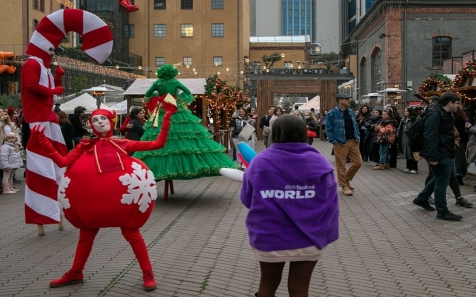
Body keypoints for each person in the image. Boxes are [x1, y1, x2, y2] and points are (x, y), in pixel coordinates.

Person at [32, 106, 175, 291]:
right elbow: (63, 162)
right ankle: (76, 272)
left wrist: (167, 119)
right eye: (95, 120)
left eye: (103, 119)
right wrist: (43, 141)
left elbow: (158, 144)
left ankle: (147, 272)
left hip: (122, 203)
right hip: (93, 204)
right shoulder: (85, 145)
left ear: (111, 122)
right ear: (91, 125)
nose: (99, 122)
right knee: (86, 235)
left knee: (132, 233)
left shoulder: (123, 143)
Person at [240, 114, 339, 297]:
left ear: (275, 133)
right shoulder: (320, 162)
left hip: (270, 236)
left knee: (267, 285)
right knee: (300, 288)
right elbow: (330, 199)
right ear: (303, 133)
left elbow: (247, 198)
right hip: (309, 238)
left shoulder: (260, 162)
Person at [134, 65, 236, 181]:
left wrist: (159, 98)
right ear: (172, 73)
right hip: (175, 107)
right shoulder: (175, 82)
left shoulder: (157, 84)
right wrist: (176, 98)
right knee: (183, 135)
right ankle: (187, 167)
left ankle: (159, 170)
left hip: (162, 109)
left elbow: (148, 94)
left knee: (160, 134)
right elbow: (187, 92)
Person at [412, 92, 463, 221]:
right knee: (442, 182)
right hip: (439, 152)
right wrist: (433, 157)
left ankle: (421, 199)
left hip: (443, 150)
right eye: (457, 103)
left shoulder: (442, 113)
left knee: (438, 178)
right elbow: (430, 135)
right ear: (450, 103)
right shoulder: (435, 114)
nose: (459, 106)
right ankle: (442, 211)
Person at [325, 92, 361, 196]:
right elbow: (329, 129)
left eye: (349, 98)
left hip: (353, 141)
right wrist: (334, 141)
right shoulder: (332, 113)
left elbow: (355, 125)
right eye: (346, 99)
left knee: (358, 163)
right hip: (340, 142)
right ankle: (344, 186)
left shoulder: (350, 111)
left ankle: (346, 179)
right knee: (341, 165)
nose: (349, 100)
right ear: (340, 100)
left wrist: (357, 136)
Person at [398, 107, 419, 174]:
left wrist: (410, 131)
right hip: (404, 138)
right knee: (407, 153)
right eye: (405, 111)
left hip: (412, 139)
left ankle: (414, 168)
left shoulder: (415, 120)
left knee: (412, 153)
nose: (405, 112)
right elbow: (400, 129)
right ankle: (408, 167)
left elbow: (417, 130)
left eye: (407, 111)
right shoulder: (403, 120)